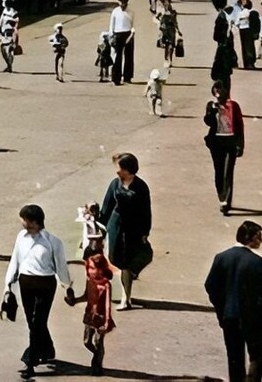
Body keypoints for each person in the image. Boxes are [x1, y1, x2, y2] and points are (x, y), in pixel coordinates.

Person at [3, 203, 75, 379]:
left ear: (35, 222)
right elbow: (15, 261)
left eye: (25, 220)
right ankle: (47, 348)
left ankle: (30, 362)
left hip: (45, 284)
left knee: (38, 322)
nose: (22, 223)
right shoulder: (21, 237)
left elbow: (61, 267)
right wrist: (7, 286)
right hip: (25, 283)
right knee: (32, 322)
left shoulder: (52, 242)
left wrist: (67, 287)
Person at [205, 221, 262, 382]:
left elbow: (211, 286)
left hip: (229, 317)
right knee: (259, 356)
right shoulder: (257, 262)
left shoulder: (222, 258)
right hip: (253, 320)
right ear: (248, 238)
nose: (261, 241)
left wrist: (221, 310)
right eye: (258, 237)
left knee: (234, 358)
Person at [98, 152, 152, 310]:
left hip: (133, 229)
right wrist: (98, 223)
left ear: (128, 170)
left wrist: (145, 232)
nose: (116, 171)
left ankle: (125, 298)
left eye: (119, 168)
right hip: (116, 227)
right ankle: (128, 281)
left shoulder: (141, 187)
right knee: (115, 259)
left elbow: (146, 211)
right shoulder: (115, 184)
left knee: (126, 263)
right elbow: (106, 207)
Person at [80, 222, 115, 377]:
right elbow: (85, 295)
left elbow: (107, 305)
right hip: (89, 313)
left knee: (98, 342)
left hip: (101, 316)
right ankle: (97, 355)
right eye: (90, 268)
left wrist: (107, 320)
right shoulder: (90, 281)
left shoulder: (105, 285)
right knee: (86, 341)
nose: (92, 271)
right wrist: (74, 300)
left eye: (95, 269)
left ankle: (97, 364)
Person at [204, 82, 244, 214]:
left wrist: (240, 144)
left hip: (230, 142)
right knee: (219, 171)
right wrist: (212, 111)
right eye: (216, 91)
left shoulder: (233, 105)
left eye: (220, 91)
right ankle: (221, 197)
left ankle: (226, 202)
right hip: (216, 143)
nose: (218, 94)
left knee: (228, 172)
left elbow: (240, 124)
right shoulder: (211, 105)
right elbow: (208, 122)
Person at [108, 0, 135, 85]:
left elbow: (132, 25)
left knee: (129, 56)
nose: (123, 6)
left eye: (124, 4)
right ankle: (116, 78)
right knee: (117, 57)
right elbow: (111, 25)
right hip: (117, 34)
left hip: (128, 33)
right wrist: (111, 35)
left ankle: (127, 77)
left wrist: (132, 34)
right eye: (121, 4)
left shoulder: (130, 12)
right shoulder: (115, 12)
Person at [0, 0, 20, 73]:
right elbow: (0, 21)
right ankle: (8, 64)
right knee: (2, 50)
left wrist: (10, 20)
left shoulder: (13, 12)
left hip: (10, 33)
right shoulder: (4, 11)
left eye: (3, 2)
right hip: (3, 33)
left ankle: (10, 66)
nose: (2, 3)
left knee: (8, 50)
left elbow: (17, 21)